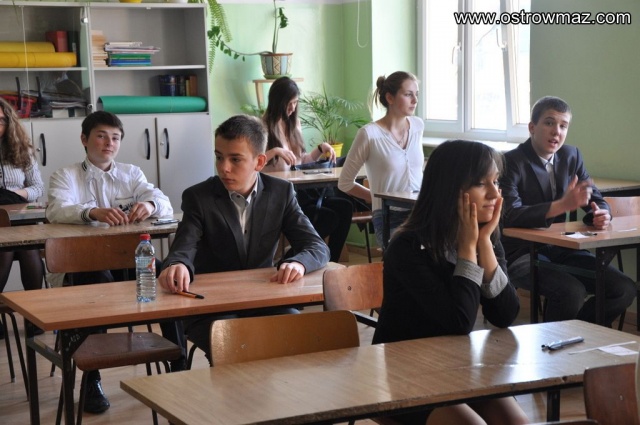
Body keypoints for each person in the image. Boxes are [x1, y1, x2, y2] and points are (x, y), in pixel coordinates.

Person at [372, 140, 528, 425]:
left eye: (496, 182)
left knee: (518, 423)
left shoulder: (485, 237)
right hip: (404, 373)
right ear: (450, 189)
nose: (495, 193)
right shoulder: (408, 246)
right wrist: (468, 249)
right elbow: (459, 322)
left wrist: (484, 244)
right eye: (481, 183)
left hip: (460, 366)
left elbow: (505, 314)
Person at [158, 114, 330, 363]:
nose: (224, 168)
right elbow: (183, 247)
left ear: (259, 162)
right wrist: (178, 264)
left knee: (301, 335)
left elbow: (316, 246)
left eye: (235, 159)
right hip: (211, 306)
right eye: (219, 157)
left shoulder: (281, 192)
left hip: (263, 300)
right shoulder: (199, 197)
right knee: (236, 345)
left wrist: (298, 263)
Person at [46, 110, 174, 414]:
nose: (109, 143)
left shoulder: (132, 174)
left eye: (115, 138)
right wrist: (92, 212)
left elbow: (165, 203)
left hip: (126, 264)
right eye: (101, 136)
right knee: (96, 280)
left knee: (169, 275)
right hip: (80, 267)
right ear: (84, 139)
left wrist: (149, 204)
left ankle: (178, 366)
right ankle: (91, 377)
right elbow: (56, 210)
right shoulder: (65, 175)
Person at [500, 96, 635, 326]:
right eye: (549, 123)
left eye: (563, 126)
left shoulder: (572, 156)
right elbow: (510, 215)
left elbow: (595, 198)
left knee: (623, 288)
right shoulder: (510, 162)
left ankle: (581, 334)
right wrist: (562, 205)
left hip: (562, 246)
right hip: (521, 252)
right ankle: (553, 345)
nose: (557, 132)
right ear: (532, 127)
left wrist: (602, 214)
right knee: (571, 292)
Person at [261, 76, 352, 262]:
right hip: (278, 195)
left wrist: (320, 148)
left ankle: (331, 262)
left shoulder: (294, 123)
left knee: (345, 207)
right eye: (289, 103)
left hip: (302, 192)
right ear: (277, 101)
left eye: (295, 103)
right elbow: (253, 164)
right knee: (328, 218)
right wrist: (274, 151)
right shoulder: (262, 127)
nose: (292, 108)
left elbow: (302, 160)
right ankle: (295, 256)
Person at [338, 71, 424, 249]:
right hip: (389, 215)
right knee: (403, 262)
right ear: (390, 98)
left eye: (416, 94)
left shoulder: (418, 125)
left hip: (421, 211)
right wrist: (376, 197)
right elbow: (345, 183)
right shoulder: (369, 134)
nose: (415, 100)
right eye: (408, 94)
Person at [0, 97, 46, 340]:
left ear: (9, 123)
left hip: (20, 216)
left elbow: (38, 188)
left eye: (1, 121)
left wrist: (16, 194)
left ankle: (33, 314)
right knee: (5, 249)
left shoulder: (22, 150)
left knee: (29, 249)